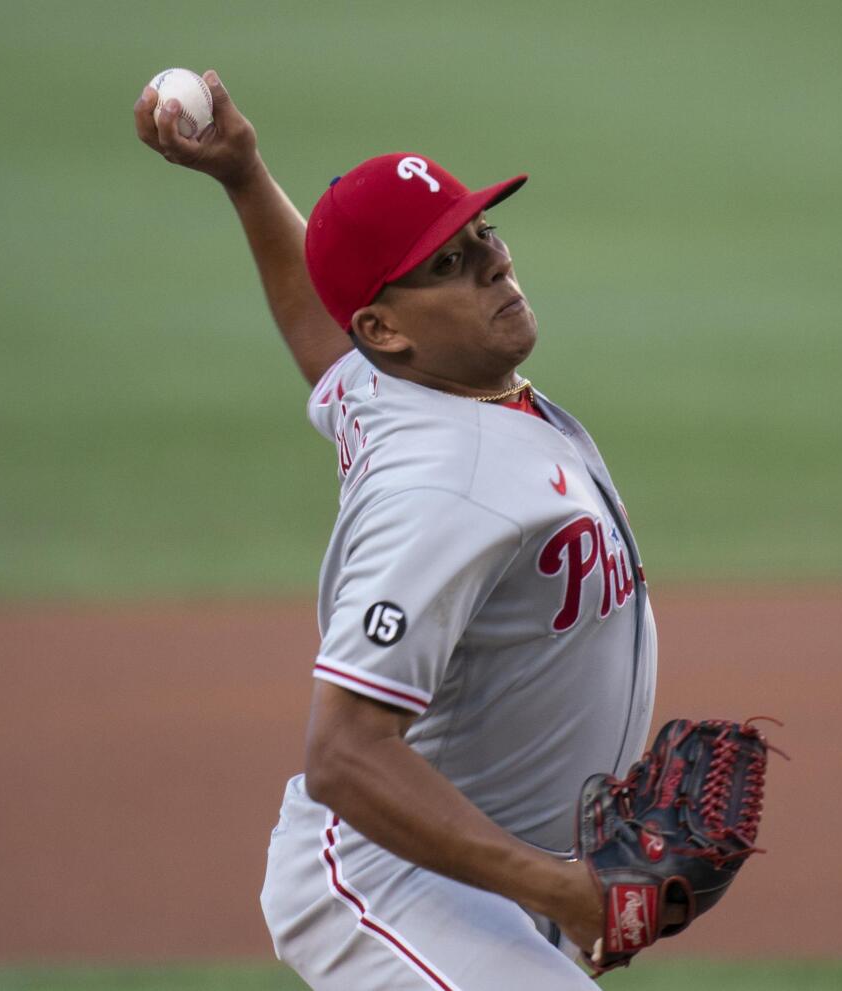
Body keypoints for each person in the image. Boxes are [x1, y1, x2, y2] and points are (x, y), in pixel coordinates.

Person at [134, 71, 658, 990]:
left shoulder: (397, 384)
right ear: (389, 327)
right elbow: (342, 753)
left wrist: (246, 177)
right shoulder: (440, 487)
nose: (493, 261)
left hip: (477, 875)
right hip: (386, 881)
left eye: (480, 234)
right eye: (447, 266)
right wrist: (567, 890)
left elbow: (325, 334)